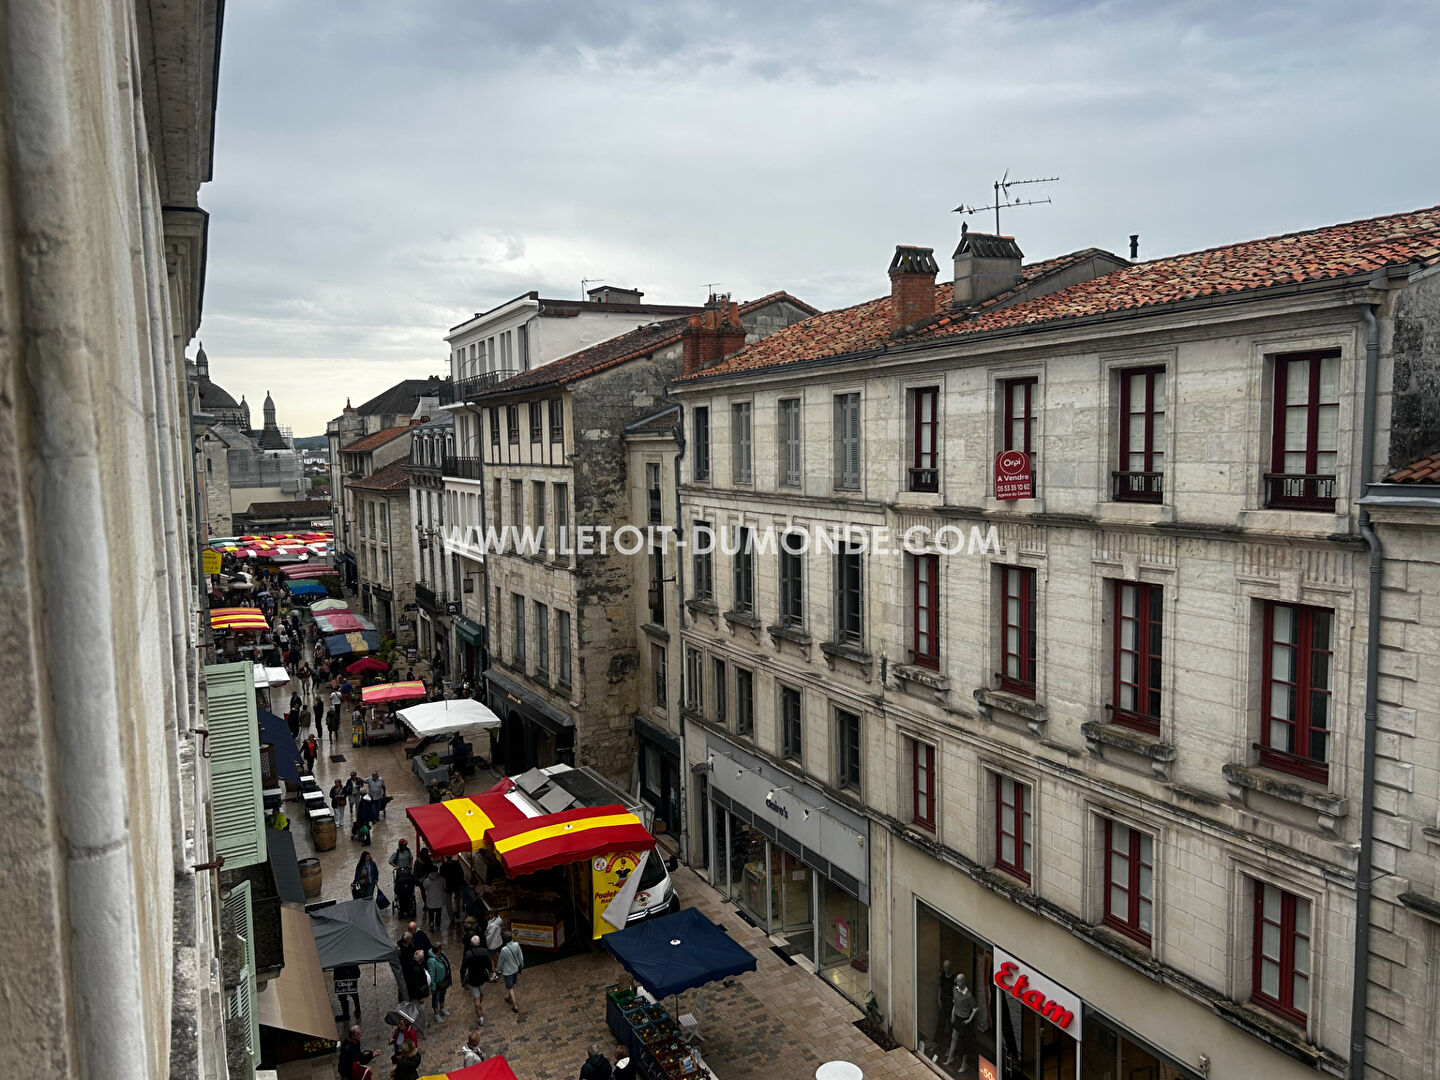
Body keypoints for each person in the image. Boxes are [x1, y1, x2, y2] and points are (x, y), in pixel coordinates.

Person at [944, 972, 980, 1071]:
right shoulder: (955, 989)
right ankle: (950, 1058)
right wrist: (952, 1014)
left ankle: (963, 1065)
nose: (958, 982)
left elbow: (975, 1008)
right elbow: (955, 1002)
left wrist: (969, 1019)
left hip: (964, 1019)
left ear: (963, 982)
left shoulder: (968, 995)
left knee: (964, 1043)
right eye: (957, 980)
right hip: (956, 1016)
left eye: (960, 981)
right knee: (953, 1037)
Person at [460, 934, 490, 1024]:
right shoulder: (485, 951)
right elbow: (489, 964)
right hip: (482, 978)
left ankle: (480, 1015)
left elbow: (463, 968)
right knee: (481, 994)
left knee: (476, 998)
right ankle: (479, 1008)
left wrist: (462, 979)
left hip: (472, 979)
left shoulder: (468, 954)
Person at [496, 931, 523, 1013]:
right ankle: (509, 997)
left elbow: (500, 961)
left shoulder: (504, 950)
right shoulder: (516, 945)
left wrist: (497, 970)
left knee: (510, 987)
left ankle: (515, 1006)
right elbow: (520, 956)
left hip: (507, 972)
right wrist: (521, 965)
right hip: (515, 969)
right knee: (512, 985)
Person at [427, 942, 452, 1022]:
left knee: (442, 996)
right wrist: (433, 987)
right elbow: (432, 975)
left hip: (443, 982)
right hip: (437, 984)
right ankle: (436, 1014)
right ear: (438, 950)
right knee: (435, 999)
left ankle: (442, 1009)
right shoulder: (431, 961)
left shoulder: (442, 955)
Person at [440, 856, 466, 926]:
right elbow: (461, 875)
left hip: (448, 887)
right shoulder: (457, 864)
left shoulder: (443, 866)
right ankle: (457, 910)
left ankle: (451, 918)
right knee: (457, 898)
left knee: (448, 902)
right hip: (457, 885)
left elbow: (442, 878)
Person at [422, 866, 446, 933]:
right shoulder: (442, 879)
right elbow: (445, 888)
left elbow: (425, 888)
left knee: (431, 914)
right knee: (438, 914)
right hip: (439, 900)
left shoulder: (427, 880)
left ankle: (431, 924)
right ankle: (438, 926)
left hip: (431, 900)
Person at [485, 910, 504, 981]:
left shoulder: (493, 925)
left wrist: (486, 944)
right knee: (496, 955)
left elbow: (490, 936)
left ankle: (494, 974)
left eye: (489, 914)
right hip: (498, 942)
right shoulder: (499, 919)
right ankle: (498, 969)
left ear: (492, 915)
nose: (488, 916)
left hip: (492, 944)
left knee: (491, 959)